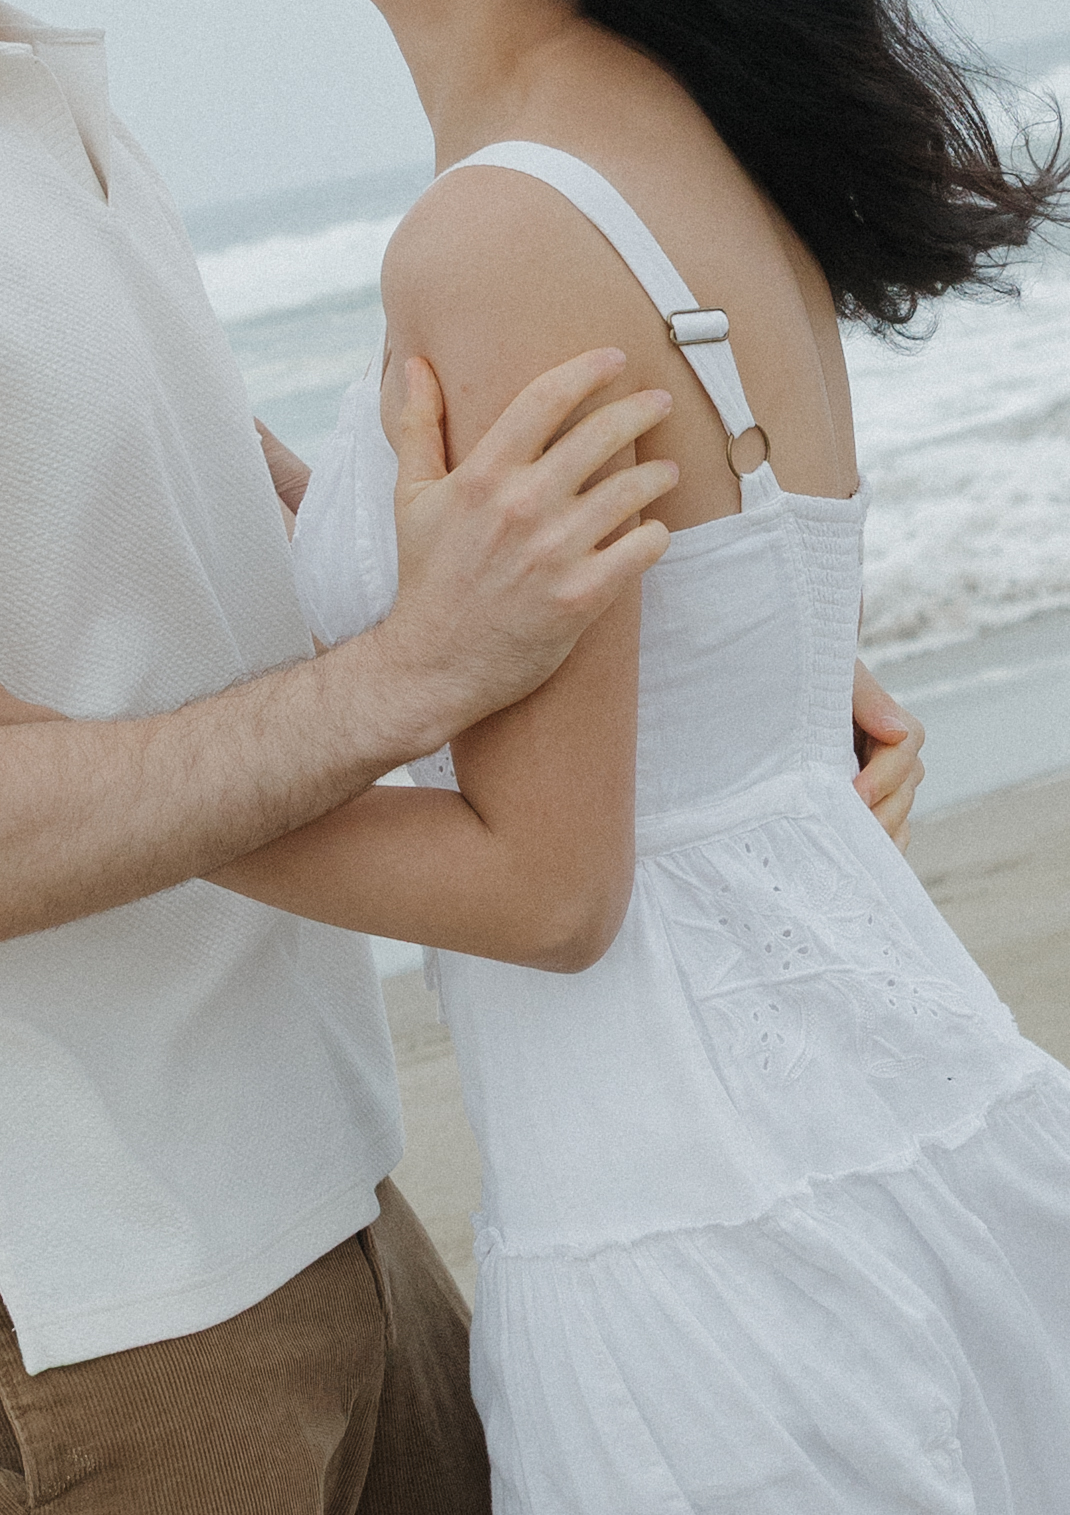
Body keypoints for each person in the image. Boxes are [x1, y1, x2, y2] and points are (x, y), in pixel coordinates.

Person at [0, 4, 922, 1512]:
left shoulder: (48, 79)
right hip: (97, 1301)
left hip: (343, 1194)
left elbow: (176, 516)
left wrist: (677, 631)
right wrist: (416, 676)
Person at [210, 0, 1070, 1510]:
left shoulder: (497, 228)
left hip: (703, 1238)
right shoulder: (654, 124)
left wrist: (102, 798)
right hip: (894, 1131)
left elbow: (548, 893)